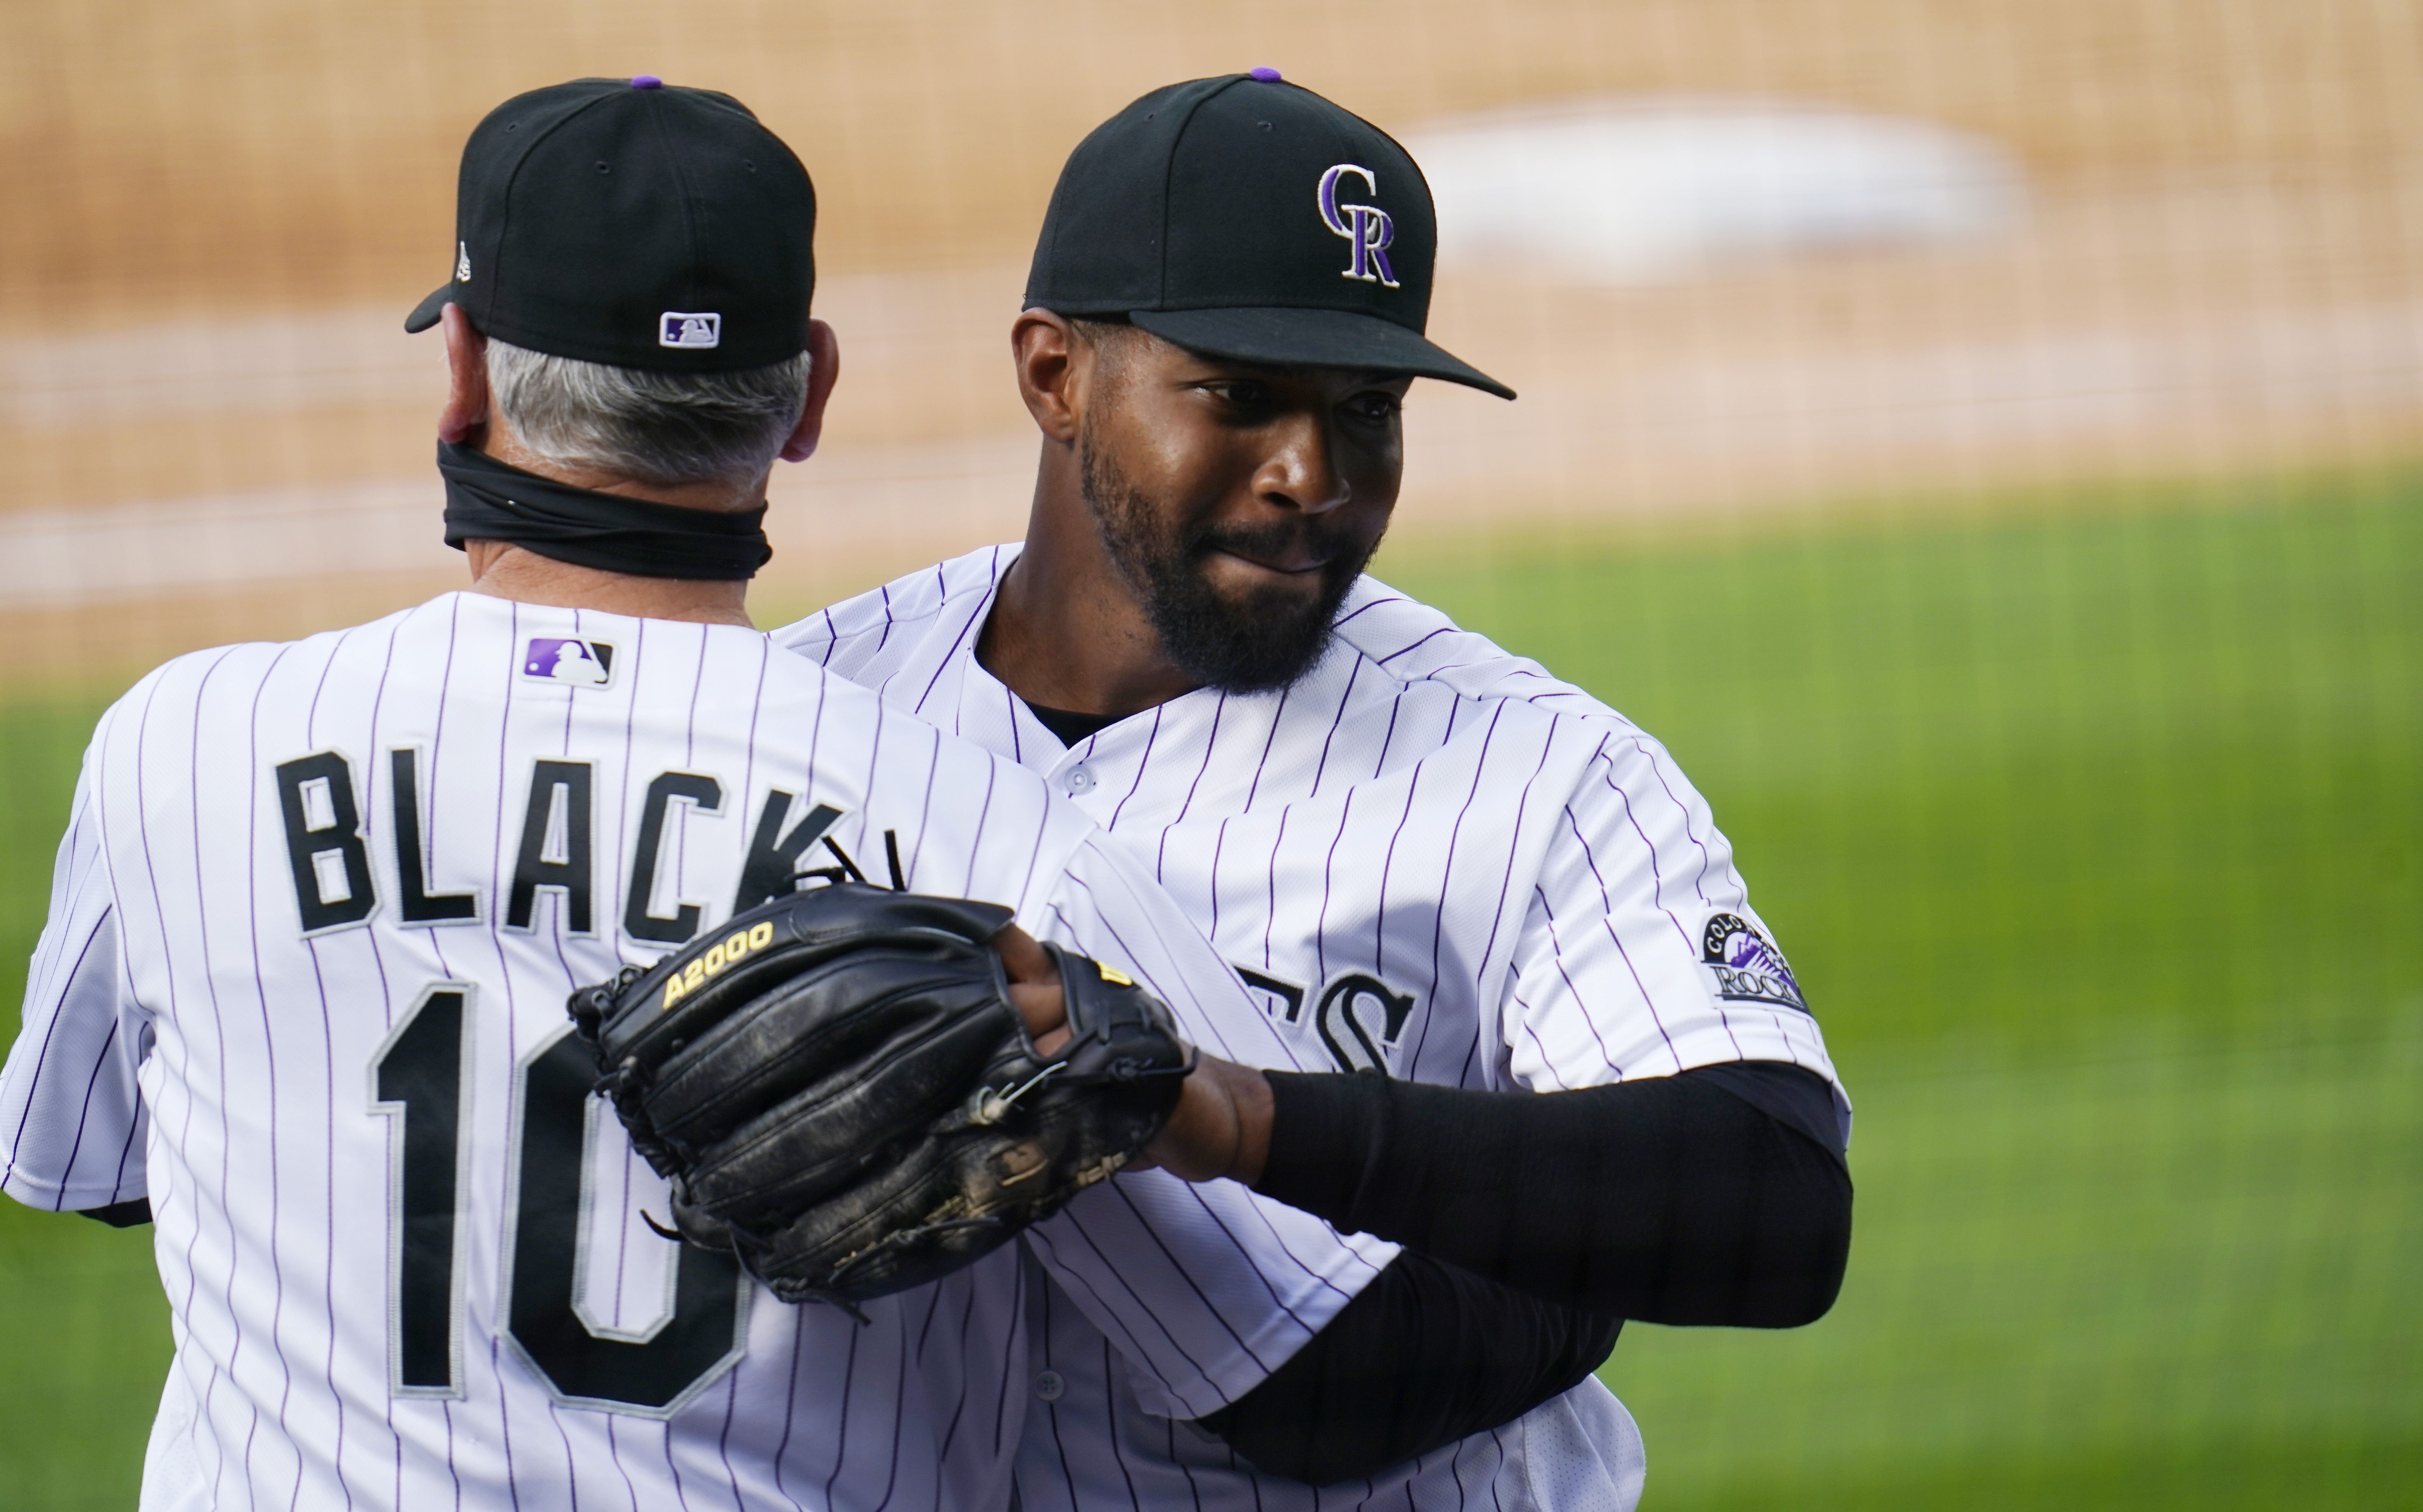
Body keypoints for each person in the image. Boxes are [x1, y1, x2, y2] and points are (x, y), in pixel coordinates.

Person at [0, 76, 1474, 1510]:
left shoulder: (180, 743)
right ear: (810, 394)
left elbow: (78, 1168)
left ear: (461, 367)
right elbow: (1304, 1365)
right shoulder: (987, 829)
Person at [774, 72, 1855, 1507]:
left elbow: (1770, 1205)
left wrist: (1244, 1121)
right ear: (1055, 375)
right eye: (1238, 394)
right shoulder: (801, 711)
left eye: (1366, 407)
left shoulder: (1533, 763)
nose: (1311, 474)